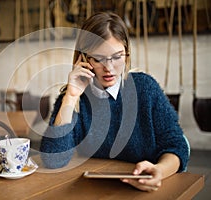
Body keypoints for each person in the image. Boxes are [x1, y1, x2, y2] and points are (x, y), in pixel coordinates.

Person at [40, 11, 189, 192]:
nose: (109, 68)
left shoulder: (145, 88)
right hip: (98, 192)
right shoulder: (74, 98)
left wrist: (159, 170)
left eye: (117, 57)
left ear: (127, 53)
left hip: (145, 190)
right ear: (84, 58)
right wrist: (71, 97)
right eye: (98, 59)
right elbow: (53, 159)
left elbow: (177, 145)